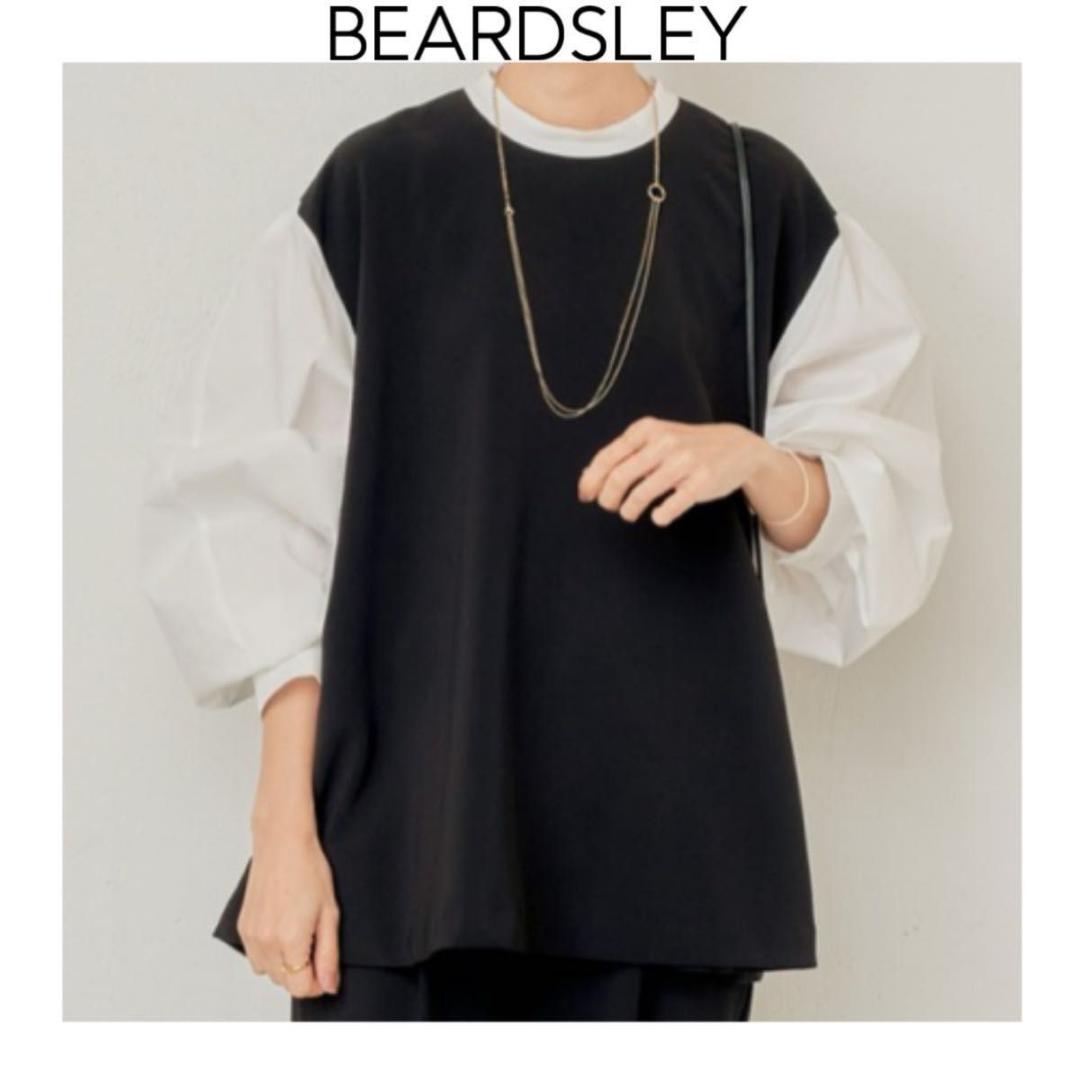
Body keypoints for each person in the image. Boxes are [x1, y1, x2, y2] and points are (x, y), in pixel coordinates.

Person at [138, 61, 952, 1021]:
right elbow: (257, 523)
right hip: (411, 845)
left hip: (672, 853)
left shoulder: (754, 193)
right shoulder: (378, 184)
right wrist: (282, 832)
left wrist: (758, 462)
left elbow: (883, 509)